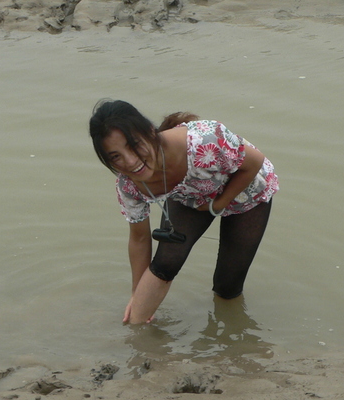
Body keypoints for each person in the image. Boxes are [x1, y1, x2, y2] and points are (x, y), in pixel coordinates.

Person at [89, 99, 278, 324]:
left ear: (150, 132)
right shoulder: (129, 185)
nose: (131, 162)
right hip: (191, 195)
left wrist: (218, 204)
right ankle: (139, 339)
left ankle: (229, 343)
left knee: (228, 286)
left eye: (134, 145)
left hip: (246, 189)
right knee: (166, 262)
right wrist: (137, 295)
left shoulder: (205, 141)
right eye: (115, 157)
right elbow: (139, 238)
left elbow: (254, 161)